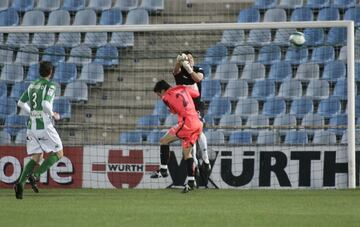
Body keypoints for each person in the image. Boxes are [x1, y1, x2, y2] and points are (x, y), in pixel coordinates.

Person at [14, 61, 64, 199]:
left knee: (36, 157)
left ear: (39, 72)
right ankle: (35, 175)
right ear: (50, 72)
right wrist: (53, 114)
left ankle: (20, 183)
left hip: (31, 126)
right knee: (59, 152)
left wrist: (32, 112)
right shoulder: (51, 85)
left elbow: (20, 103)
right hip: (44, 125)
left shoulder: (32, 85)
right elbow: (45, 104)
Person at [151, 80, 203, 193]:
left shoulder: (166, 97)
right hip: (198, 123)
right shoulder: (182, 88)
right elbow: (197, 94)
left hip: (187, 123)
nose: (160, 97)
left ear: (163, 90)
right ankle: (191, 181)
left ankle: (163, 170)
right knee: (187, 154)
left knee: (164, 141)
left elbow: (174, 111)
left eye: (159, 94)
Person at [172, 51, 211, 179]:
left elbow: (198, 78)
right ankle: (194, 163)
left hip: (197, 106)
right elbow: (175, 70)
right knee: (189, 136)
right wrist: (179, 61)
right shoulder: (179, 73)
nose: (190, 60)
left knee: (198, 131)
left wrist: (189, 69)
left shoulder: (198, 69)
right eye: (187, 59)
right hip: (184, 109)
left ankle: (205, 160)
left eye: (191, 58)